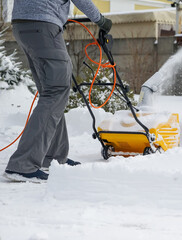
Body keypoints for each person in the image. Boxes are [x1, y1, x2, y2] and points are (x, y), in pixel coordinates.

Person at [3, 0, 112, 182]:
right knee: (56, 92)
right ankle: (23, 165)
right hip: (44, 25)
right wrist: (101, 20)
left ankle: (52, 156)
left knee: (50, 94)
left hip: (21, 25)